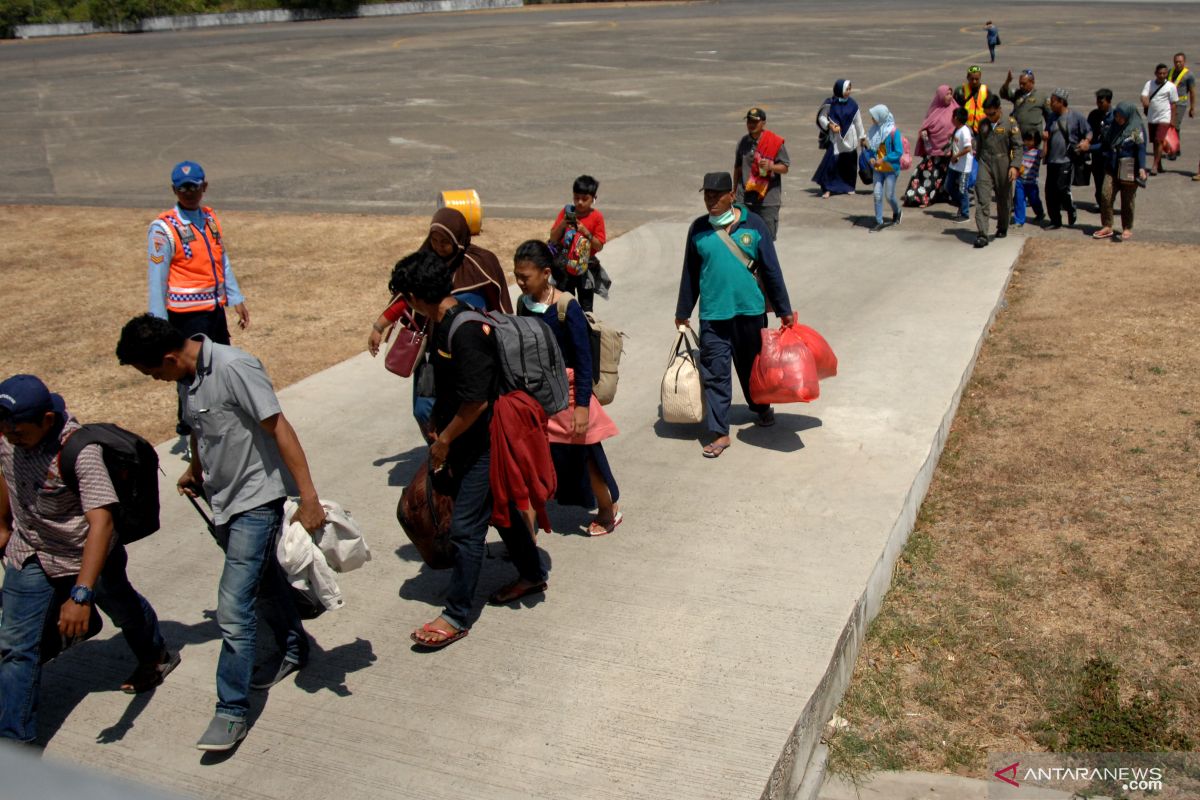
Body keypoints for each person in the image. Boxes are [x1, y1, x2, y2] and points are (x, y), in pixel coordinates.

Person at [115, 315, 325, 752]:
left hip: (256, 499)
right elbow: (198, 427)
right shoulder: (185, 376)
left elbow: (279, 427)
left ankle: (231, 710)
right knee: (264, 582)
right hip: (222, 501)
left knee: (232, 607)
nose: (156, 380)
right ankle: (292, 645)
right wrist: (196, 469)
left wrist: (308, 497)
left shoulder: (234, 367)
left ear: (171, 357)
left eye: (154, 372)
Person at [0, 376, 177, 744]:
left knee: (124, 609)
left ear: (48, 419)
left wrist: (81, 594)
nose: (10, 436)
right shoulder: (8, 433)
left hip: (87, 557)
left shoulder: (81, 451)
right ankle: (15, 745)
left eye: (18, 431)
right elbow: (4, 470)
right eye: (5, 429)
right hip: (30, 550)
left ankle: (155, 655)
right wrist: (3, 526)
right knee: (16, 647)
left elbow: (102, 522)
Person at [387, 251, 549, 649]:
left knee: (465, 531)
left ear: (415, 295)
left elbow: (476, 402)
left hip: (481, 444)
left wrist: (444, 441)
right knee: (505, 512)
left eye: (403, 298)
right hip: (462, 439)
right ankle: (530, 572)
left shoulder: (464, 331)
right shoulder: (440, 322)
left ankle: (457, 614)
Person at [674, 172, 794, 459]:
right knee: (715, 373)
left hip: (750, 312)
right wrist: (683, 312)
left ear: (732, 195)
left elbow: (771, 270)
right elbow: (690, 273)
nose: (711, 201)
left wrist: (784, 310)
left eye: (716, 196)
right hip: (714, 315)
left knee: (752, 367)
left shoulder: (755, 225)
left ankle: (761, 407)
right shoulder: (699, 229)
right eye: (707, 196)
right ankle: (720, 432)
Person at [367, 207, 513, 436]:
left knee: (470, 405)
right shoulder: (426, 262)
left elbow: (500, 302)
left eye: (444, 241)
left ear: (458, 238)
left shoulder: (480, 263)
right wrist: (379, 325)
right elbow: (404, 297)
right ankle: (439, 449)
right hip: (433, 352)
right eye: (433, 239)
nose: (438, 246)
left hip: (469, 349)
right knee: (424, 408)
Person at [512, 241, 621, 536]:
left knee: (587, 459)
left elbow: (584, 361)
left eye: (525, 277)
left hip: (571, 397)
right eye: (517, 276)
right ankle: (527, 537)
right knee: (532, 463)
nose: (520, 282)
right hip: (537, 397)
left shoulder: (566, 307)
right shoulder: (523, 304)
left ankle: (608, 510)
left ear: (546, 273)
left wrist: (583, 406)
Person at [548, 175, 608, 313]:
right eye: (576, 198)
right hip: (565, 268)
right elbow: (553, 238)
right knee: (564, 305)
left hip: (584, 268)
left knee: (586, 309)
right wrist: (564, 222)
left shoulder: (597, 217)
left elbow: (599, 246)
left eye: (584, 198)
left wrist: (585, 232)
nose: (580, 202)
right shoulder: (566, 212)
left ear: (594, 198)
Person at [1092, 102, 1148, 242]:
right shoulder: (1113, 128)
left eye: (1121, 116)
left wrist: (1142, 168)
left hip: (1129, 168)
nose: (1118, 119)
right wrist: (1089, 148)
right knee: (1105, 194)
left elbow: (1141, 149)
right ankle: (1107, 225)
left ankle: (1127, 227)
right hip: (1112, 166)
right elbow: (1104, 145)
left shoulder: (1136, 129)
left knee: (1127, 200)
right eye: (1116, 116)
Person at [734, 107, 791, 240]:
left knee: (766, 239)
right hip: (745, 199)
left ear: (763, 123)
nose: (751, 125)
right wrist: (734, 190)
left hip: (767, 200)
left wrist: (771, 166)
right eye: (749, 121)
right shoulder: (743, 142)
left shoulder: (774, 142)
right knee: (743, 237)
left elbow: (785, 167)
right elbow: (737, 168)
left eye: (755, 122)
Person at [972, 95, 1021, 248]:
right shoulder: (983, 124)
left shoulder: (1010, 123)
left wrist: (1014, 166)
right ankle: (982, 233)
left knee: (1003, 198)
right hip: (985, 162)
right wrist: (978, 163)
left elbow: (1018, 147)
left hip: (1003, 162)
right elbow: (979, 145)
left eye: (992, 114)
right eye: (987, 114)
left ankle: (1002, 226)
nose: (990, 117)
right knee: (982, 197)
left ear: (999, 109)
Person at [1043, 88, 1090, 229]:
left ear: (1062, 102)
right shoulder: (1051, 117)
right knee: (1049, 192)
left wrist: (1086, 142)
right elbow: (1048, 134)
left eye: (1053, 102)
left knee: (1062, 188)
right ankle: (1055, 220)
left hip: (1067, 160)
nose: (1050, 104)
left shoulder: (1075, 117)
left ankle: (1070, 208)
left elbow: (1088, 131)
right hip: (1052, 160)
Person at [906, 84, 959, 209]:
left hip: (950, 153)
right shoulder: (934, 111)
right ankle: (922, 198)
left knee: (946, 176)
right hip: (934, 152)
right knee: (928, 175)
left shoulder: (956, 109)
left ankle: (944, 196)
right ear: (940, 96)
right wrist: (924, 133)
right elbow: (926, 126)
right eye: (947, 94)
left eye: (951, 94)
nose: (950, 97)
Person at [813, 79, 867, 198]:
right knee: (832, 163)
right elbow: (822, 117)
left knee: (849, 164)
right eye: (846, 89)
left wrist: (862, 137)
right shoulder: (831, 103)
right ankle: (828, 188)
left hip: (850, 138)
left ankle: (849, 186)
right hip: (836, 139)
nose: (848, 92)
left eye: (849, 89)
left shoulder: (853, 104)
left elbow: (858, 122)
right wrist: (830, 125)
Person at [866, 105, 903, 232]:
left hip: (891, 169)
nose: (872, 119)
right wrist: (871, 157)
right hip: (878, 169)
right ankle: (879, 221)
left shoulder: (893, 132)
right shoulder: (873, 131)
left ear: (881, 117)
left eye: (874, 116)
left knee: (889, 196)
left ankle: (897, 211)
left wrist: (884, 159)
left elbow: (898, 152)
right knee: (877, 195)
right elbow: (871, 149)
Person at [1140, 64, 1179, 175]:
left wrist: (1172, 120)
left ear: (1167, 74)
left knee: (1159, 140)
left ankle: (1154, 166)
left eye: (1164, 73)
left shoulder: (1171, 86)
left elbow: (1173, 104)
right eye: (1160, 73)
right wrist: (1145, 101)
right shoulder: (1149, 84)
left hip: (1164, 117)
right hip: (1152, 117)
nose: (1162, 75)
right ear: (1156, 73)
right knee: (1155, 143)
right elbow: (1143, 95)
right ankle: (1160, 164)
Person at [999, 68, 1052, 139]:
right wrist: (1007, 82)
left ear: (1032, 82)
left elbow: (1050, 117)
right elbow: (1003, 94)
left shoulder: (1041, 96)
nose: (1021, 86)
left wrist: (1047, 132)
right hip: (1018, 136)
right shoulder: (1017, 93)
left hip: (1034, 139)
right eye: (1020, 83)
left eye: (1024, 83)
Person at [1086, 89, 1116, 209]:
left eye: (1101, 102)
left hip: (1108, 154)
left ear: (1109, 102)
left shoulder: (1114, 116)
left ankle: (1108, 203)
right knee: (1098, 179)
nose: (1099, 105)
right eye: (1098, 102)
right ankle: (1100, 202)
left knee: (1108, 181)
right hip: (1096, 154)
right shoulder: (1094, 115)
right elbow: (1088, 130)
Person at [946, 107, 975, 223]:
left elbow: (968, 148)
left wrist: (956, 155)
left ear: (956, 118)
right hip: (954, 165)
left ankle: (965, 213)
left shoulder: (965, 131)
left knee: (962, 189)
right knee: (949, 187)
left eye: (953, 117)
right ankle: (962, 205)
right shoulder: (957, 130)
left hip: (963, 167)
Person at [1013, 130, 1045, 227]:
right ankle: (1019, 220)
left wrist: (1046, 141)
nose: (1027, 142)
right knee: (1019, 200)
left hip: (1031, 182)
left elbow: (1044, 153)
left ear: (1036, 141)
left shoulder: (1037, 152)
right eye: (1026, 140)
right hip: (1020, 181)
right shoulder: (1022, 150)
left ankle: (1040, 213)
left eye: (1030, 140)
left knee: (1034, 200)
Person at [1167, 53, 1195, 158]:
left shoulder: (1189, 75)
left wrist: (1192, 108)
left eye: (1180, 62)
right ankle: (1175, 147)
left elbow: (1192, 92)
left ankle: (1174, 150)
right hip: (1169, 103)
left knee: (1175, 125)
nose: (1178, 64)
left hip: (1180, 104)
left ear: (1184, 62)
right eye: (1176, 62)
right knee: (1170, 126)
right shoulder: (1170, 72)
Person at [954, 66, 990, 133]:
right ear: (967, 78)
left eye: (977, 79)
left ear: (980, 77)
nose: (974, 81)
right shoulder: (961, 91)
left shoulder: (986, 90)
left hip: (982, 129)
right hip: (965, 129)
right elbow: (954, 109)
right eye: (972, 79)